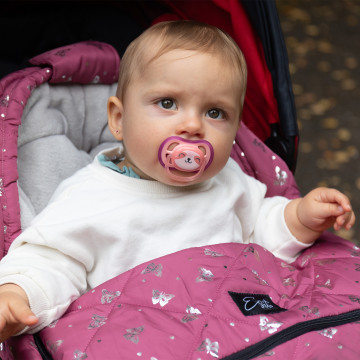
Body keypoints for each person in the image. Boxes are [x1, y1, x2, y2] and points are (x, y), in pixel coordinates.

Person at [0, 20, 355, 342]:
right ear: (119, 119)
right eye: (168, 103)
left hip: (240, 330)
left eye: (215, 112)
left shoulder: (229, 180)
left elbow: (260, 226)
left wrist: (300, 218)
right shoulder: (90, 197)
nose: (192, 126)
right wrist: (18, 294)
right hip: (144, 337)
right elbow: (50, 260)